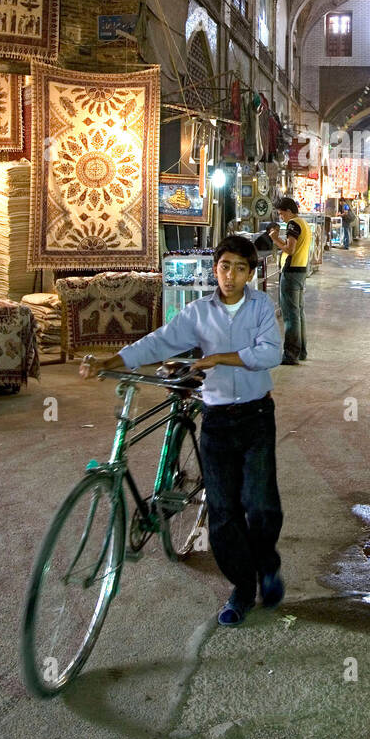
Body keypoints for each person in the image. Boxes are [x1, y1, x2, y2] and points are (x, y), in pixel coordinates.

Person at [80, 236, 284, 628]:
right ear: (215, 269)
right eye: (224, 266)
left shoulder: (261, 307)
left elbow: (270, 353)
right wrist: (113, 359)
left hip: (257, 416)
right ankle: (242, 587)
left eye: (240, 268)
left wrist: (220, 358)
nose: (230, 275)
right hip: (217, 419)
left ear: (251, 274)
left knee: (260, 504)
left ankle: (268, 566)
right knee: (223, 513)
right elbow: (161, 340)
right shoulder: (197, 312)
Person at [270, 197, 312, 364]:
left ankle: (290, 354)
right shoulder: (304, 223)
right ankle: (301, 351)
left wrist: (275, 238)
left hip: (291, 272)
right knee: (298, 312)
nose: (281, 217)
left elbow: (290, 248)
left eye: (281, 214)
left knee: (290, 315)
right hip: (301, 271)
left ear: (288, 211)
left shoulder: (293, 224)